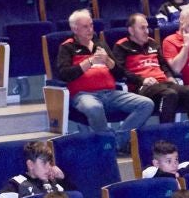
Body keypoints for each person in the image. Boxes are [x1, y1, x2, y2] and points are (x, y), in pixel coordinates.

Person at [55, 10, 155, 141]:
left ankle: (116, 140)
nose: (90, 29)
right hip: (83, 95)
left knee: (146, 104)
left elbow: (120, 73)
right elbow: (64, 74)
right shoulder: (67, 47)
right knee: (94, 107)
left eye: (91, 25)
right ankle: (107, 141)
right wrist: (89, 62)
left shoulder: (100, 44)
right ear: (75, 29)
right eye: (85, 27)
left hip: (110, 93)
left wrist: (108, 61)